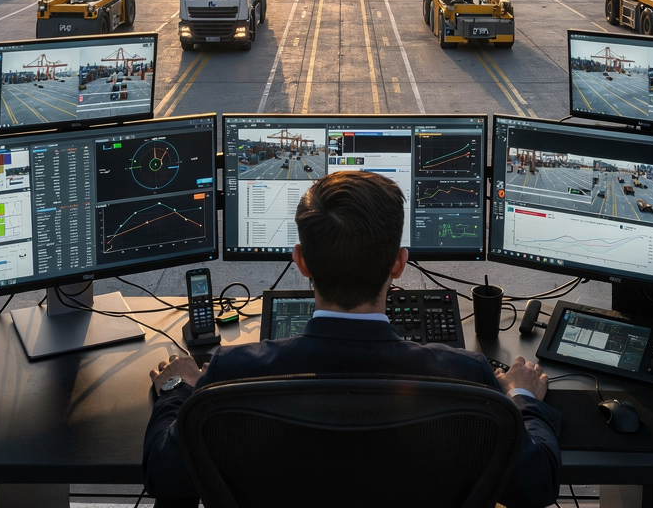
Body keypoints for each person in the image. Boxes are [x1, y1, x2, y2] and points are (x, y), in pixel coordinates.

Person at [143, 171, 561, 506]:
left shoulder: (230, 374)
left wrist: (179, 389)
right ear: (399, 264)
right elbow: (537, 487)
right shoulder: (468, 379)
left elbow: (164, 477)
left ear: (301, 262)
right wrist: (522, 398)